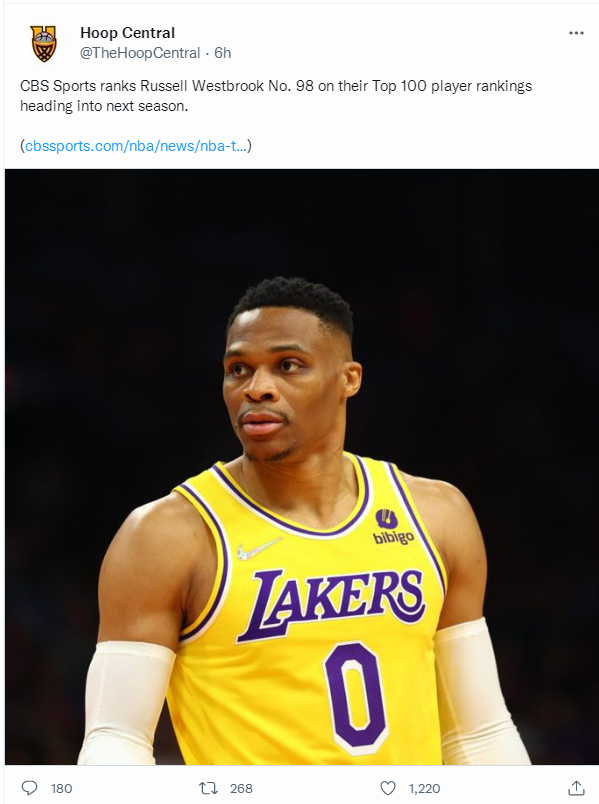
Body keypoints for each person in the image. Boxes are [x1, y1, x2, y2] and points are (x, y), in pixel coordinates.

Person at [78, 276, 530, 766]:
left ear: (349, 379)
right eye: (238, 369)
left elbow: (478, 734)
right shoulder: (168, 536)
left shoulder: (435, 515)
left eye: (287, 366)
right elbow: (117, 740)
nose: (257, 388)